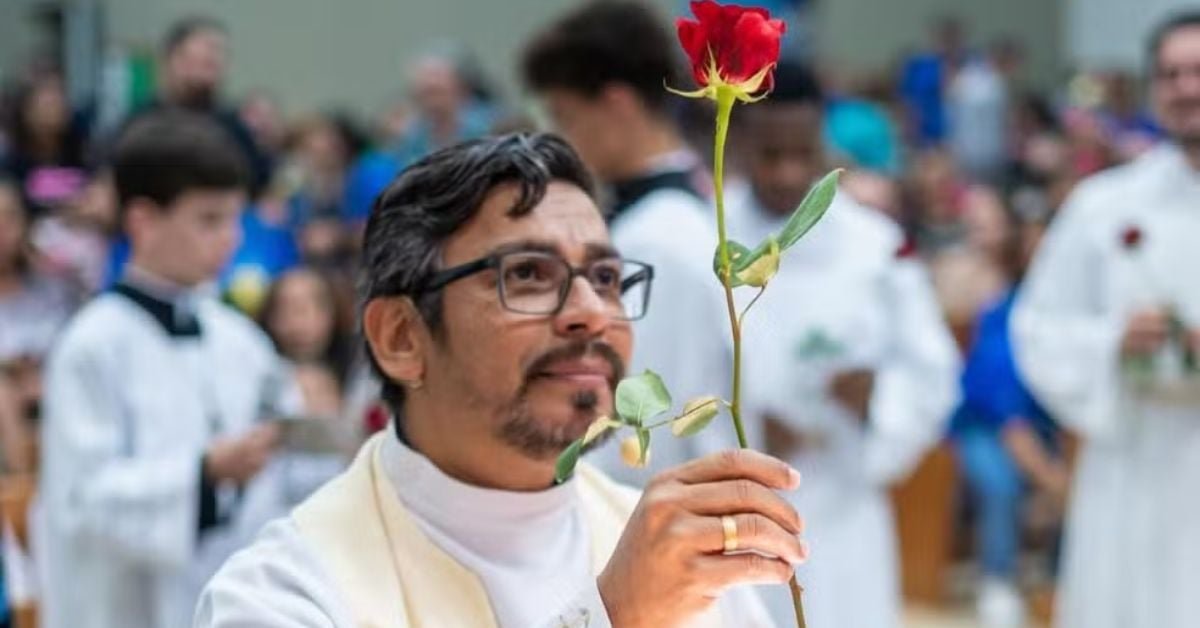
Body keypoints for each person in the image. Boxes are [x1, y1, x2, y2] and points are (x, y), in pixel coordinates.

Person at [196, 133, 803, 627]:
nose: (591, 312)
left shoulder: (666, 547)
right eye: (529, 275)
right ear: (401, 338)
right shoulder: (288, 591)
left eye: (606, 278)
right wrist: (614, 615)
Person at [38, 111, 296, 628]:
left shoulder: (240, 338)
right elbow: (81, 504)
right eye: (209, 220)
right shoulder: (91, 344)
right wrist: (204, 472)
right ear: (143, 220)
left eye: (235, 219)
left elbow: (286, 453)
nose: (230, 239)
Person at [726, 61, 960, 628]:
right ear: (740, 146)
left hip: (845, 497)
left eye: (802, 154)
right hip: (737, 508)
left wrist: (876, 399)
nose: (787, 173)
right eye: (770, 154)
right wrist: (747, 429)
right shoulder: (708, 236)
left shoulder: (873, 244)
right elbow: (677, 369)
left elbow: (933, 370)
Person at [1011, 13, 1200, 628]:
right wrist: (1114, 341)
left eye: (1197, 71)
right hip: (1132, 450)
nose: (1186, 87)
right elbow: (1038, 326)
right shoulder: (1103, 205)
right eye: (1170, 74)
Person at [521, 0, 732, 485]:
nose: (561, 136)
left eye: (566, 116)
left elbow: (636, 418)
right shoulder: (674, 215)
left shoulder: (657, 240)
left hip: (642, 498)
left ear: (617, 104)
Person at [947, 200, 1063, 627]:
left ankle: (1056, 582)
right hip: (984, 428)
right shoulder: (1003, 312)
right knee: (1001, 483)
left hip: (1045, 430)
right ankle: (997, 581)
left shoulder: (1068, 317)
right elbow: (1009, 419)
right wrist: (1050, 478)